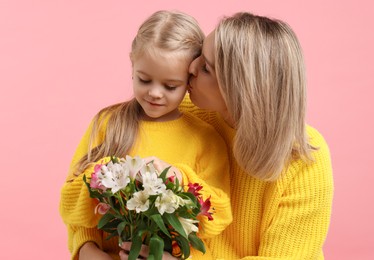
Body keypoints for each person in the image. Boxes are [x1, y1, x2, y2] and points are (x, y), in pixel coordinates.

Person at [149, 12, 333, 259]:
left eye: (206, 68)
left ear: (239, 88)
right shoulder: (184, 113)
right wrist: (88, 248)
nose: (190, 68)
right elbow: (100, 174)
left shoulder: (304, 160)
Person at [59, 10, 232, 260]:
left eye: (170, 86)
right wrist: (87, 247)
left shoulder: (205, 138)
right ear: (132, 66)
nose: (155, 93)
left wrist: (178, 179)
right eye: (144, 79)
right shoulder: (108, 123)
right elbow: (69, 202)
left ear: (190, 80)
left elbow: (217, 216)